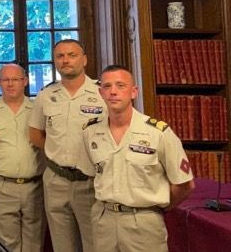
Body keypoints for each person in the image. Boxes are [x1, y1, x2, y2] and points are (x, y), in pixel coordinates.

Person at [83, 65, 194, 252]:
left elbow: (184, 184)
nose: (113, 92)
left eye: (120, 85)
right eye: (107, 86)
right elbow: (92, 175)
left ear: (134, 92)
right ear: (100, 93)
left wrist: (157, 208)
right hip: (104, 221)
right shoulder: (90, 132)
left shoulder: (158, 133)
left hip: (143, 221)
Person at [28, 39, 106, 252]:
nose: (65, 60)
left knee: (95, 245)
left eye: (72, 55)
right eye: (60, 56)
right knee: (62, 246)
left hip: (91, 181)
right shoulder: (46, 95)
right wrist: (59, 152)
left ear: (84, 60)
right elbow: (35, 134)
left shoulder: (102, 92)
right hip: (56, 181)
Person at [0, 63, 46, 252]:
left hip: (35, 186)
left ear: (25, 81)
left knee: (34, 242)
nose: (10, 84)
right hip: (1, 186)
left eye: (15, 79)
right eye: (5, 80)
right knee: (6, 243)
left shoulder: (38, 109)